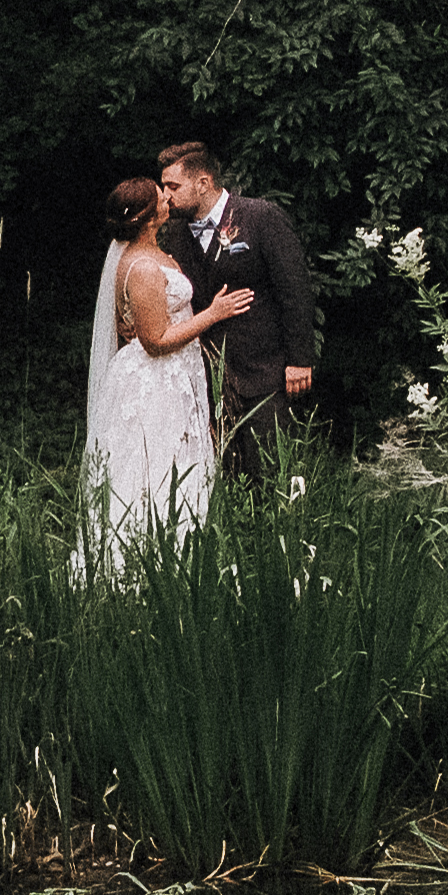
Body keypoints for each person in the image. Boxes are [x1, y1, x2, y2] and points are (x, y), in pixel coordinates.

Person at [81, 173, 243, 574]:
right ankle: (143, 567)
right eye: (160, 196)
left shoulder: (152, 255)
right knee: (153, 469)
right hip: (155, 381)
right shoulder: (143, 267)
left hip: (173, 376)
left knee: (178, 463)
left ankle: (183, 561)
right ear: (149, 216)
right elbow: (154, 340)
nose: (167, 198)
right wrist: (212, 315)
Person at [154, 142, 316, 475]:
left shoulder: (260, 217)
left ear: (203, 183)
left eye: (174, 186)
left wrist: (300, 359)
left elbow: (294, 289)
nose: (166, 195)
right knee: (227, 474)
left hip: (266, 369)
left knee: (274, 471)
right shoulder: (176, 233)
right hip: (210, 374)